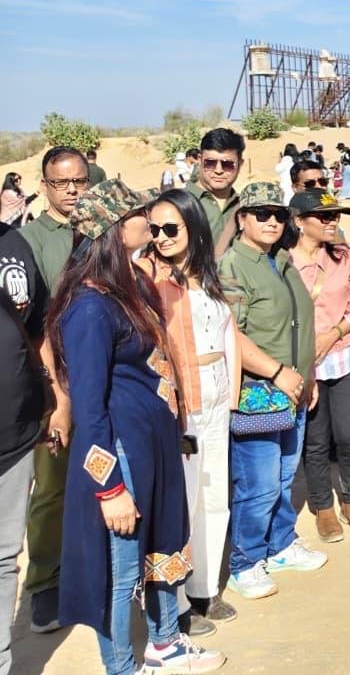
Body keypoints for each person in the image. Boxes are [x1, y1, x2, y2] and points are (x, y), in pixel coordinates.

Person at [50, 180, 225, 673]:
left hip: (155, 444)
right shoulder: (88, 307)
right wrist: (109, 489)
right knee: (120, 570)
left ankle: (165, 643)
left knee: (164, 545)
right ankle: (122, 667)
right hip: (121, 453)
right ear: (111, 229)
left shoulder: (131, 286)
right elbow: (89, 408)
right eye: (135, 216)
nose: (147, 222)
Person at [139, 188, 303, 636]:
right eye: (154, 229)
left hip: (216, 395)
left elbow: (229, 332)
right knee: (182, 499)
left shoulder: (206, 274)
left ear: (192, 226)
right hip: (181, 400)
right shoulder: (149, 277)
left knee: (213, 497)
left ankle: (204, 588)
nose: (161, 237)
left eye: (170, 228)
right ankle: (172, 600)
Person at [218, 183, 327, 601]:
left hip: (293, 387)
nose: (271, 221)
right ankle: (245, 562)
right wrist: (278, 372)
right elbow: (232, 335)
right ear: (242, 218)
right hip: (258, 390)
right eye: (260, 213)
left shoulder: (280, 260)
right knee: (258, 482)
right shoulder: (233, 266)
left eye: (278, 214)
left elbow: (299, 326)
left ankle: (279, 545)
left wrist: (306, 376)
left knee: (283, 476)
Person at [18, 145, 87, 634]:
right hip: (52, 380)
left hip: (102, 375)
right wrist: (54, 395)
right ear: (44, 186)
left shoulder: (102, 232)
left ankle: (90, 573)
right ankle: (44, 583)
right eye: (61, 183)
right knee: (52, 486)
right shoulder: (27, 241)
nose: (72, 191)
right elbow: (27, 325)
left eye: (79, 181)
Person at [288, 190, 350, 544]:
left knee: (348, 432)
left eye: (335, 216)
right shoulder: (283, 262)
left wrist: (334, 334)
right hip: (305, 363)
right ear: (299, 221)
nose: (332, 222)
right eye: (323, 216)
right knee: (316, 437)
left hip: (345, 355)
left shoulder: (344, 258)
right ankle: (323, 505)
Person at [0, 220, 50, 674]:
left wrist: (53, 399)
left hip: (14, 434)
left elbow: (36, 329)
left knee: (3, 556)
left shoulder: (14, 243)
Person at [189, 128, 245, 258]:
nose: (218, 170)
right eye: (210, 163)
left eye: (227, 164)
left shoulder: (245, 206)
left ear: (240, 164)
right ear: (199, 160)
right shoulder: (178, 204)